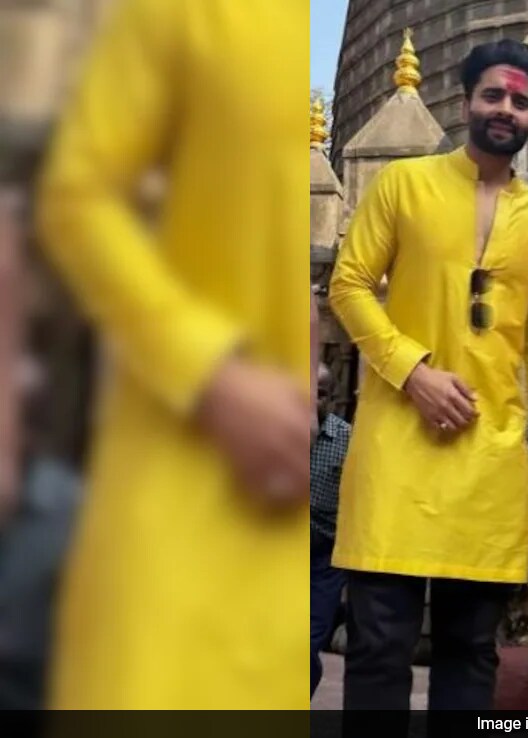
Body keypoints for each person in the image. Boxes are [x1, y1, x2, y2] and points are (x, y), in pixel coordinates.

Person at [34, 0, 309, 708]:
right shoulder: (185, 12)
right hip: (185, 463)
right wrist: (212, 375)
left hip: (293, 503)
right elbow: (78, 193)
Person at [327, 39, 528, 717]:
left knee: (471, 650)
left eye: (520, 102)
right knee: (379, 645)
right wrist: (413, 371)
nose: (506, 109)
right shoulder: (405, 184)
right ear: (466, 102)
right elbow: (348, 285)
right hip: (396, 445)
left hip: (490, 455)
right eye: (494, 95)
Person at [310, 363, 350, 698]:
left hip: (323, 558)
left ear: (331, 400)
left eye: (320, 394)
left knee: (309, 640)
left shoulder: (347, 440)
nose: (312, 400)